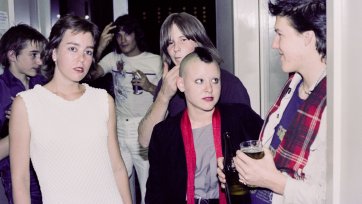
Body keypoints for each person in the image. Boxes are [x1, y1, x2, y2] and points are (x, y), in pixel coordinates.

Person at [9, 15, 132, 204]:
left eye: (88, 51)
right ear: (54, 52)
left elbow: (117, 167)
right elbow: (20, 179)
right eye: (72, 49)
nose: (81, 59)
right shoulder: (27, 104)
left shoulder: (102, 100)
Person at [217, 0, 327, 203]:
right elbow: (272, 156)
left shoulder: (338, 107)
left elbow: (332, 197)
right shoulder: (292, 86)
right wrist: (244, 171)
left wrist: (273, 181)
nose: (274, 44)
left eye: (280, 34)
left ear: (307, 38)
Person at [145, 47, 263, 204]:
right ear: (181, 84)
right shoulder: (164, 133)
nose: (209, 88)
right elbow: (156, 194)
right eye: (199, 81)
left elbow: (272, 149)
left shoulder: (240, 117)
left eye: (215, 80)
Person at [138, 12, 251, 148]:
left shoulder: (228, 83)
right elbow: (145, 140)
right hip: (181, 166)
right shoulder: (167, 84)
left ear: (199, 42)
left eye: (183, 39)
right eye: (170, 43)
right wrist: (163, 96)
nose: (176, 49)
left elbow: (246, 139)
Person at [91, 14, 162, 204]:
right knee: (120, 185)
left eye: (127, 34)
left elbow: (170, 97)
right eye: (118, 35)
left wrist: (149, 87)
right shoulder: (113, 58)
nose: (122, 40)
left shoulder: (155, 61)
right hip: (119, 128)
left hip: (144, 128)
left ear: (136, 35)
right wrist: (98, 48)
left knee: (148, 185)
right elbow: (90, 73)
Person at [0, 24, 47, 204]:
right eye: (33, 55)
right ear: (12, 55)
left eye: (40, 55)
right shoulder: (1, 90)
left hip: (49, 167)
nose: (40, 62)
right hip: (18, 174)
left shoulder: (42, 84)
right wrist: (24, 126)